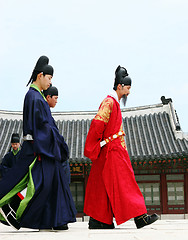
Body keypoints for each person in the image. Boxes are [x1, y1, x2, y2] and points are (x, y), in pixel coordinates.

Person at [0, 56, 76, 231]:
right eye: (49, 78)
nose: (50, 82)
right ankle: (16, 213)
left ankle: (50, 220)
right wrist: (56, 144)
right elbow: (42, 127)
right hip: (39, 149)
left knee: (43, 184)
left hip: (42, 147)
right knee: (38, 185)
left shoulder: (37, 96)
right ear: (40, 75)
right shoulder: (34, 96)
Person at [84, 65, 159, 229]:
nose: (129, 92)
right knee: (126, 182)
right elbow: (97, 124)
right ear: (120, 86)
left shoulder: (113, 103)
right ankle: (140, 217)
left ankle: (99, 220)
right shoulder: (109, 102)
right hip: (111, 151)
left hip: (113, 150)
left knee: (103, 185)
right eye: (128, 88)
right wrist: (94, 147)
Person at [43, 84, 71, 184]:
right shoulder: (44, 112)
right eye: (55, 98)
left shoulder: (45, 111)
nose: (56, 101)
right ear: (48, 97)